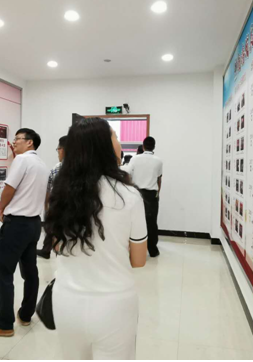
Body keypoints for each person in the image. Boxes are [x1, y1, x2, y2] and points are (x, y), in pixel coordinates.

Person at [46, 117, 147, 359]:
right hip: (115, 303)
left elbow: (57, 246)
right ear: (105, 146)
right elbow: (139, 260)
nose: (119, 142)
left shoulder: (60, 193)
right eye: (115, 136)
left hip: (66, 300)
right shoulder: (129, 196)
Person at [0, 128, 49, 337]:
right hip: (34, 224)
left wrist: (1, 208)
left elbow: (9, 188)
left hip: (16, 224)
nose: (14, 142)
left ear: (30, 142)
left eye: (18, 139)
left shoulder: (22, 160)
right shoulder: (42, 164)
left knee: (3, 272)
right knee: (30, 271)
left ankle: (4, 324)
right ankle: (26, 315)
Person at [126, 136, 163, 257]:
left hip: (137, 193)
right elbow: (159, 179)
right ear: (154, 147)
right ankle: (153, 250)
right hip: (152, 195)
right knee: (151, 222)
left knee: (134, 221)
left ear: (143, 146)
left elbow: (128, 175)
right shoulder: (158, 161)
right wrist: (157, 193)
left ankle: (134, 250)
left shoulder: (135, 159)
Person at [37, 135, 67, 260]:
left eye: (58, 149)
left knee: (53, 229)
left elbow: (49, 190)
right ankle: (47, 250)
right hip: (68, 209)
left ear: (63, 149)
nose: (58, 152)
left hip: (58, 207)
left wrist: (47, 208)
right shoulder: (84, 167)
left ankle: (49, 250)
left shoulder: (57, 168)